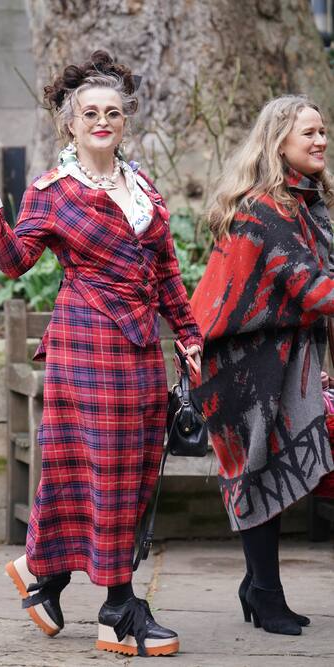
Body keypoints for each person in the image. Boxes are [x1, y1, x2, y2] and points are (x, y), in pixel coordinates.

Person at [0, 50, 203, 657]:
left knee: (129, 467)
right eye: (90, 112)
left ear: (125, 122)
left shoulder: (143, 188)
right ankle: (118, 608)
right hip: (88, 344)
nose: (102, 121)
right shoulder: (52, 192)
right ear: (69, 122)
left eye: (113, 113)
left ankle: (46, 569)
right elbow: (17, 260)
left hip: (143, 348)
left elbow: (167, 271)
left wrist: (191, 335)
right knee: (109, 467)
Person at [190, 94, 334, 636]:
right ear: (279, 143)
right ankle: (264, 592)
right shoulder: (265, 208)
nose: (320, 141)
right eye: (309, 134)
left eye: (323, 132)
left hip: (278, 353)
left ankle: (260, 588)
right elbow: (310, 287)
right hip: (235, 360)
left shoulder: (304, 202)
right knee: (258, 470)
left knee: (274, 468)